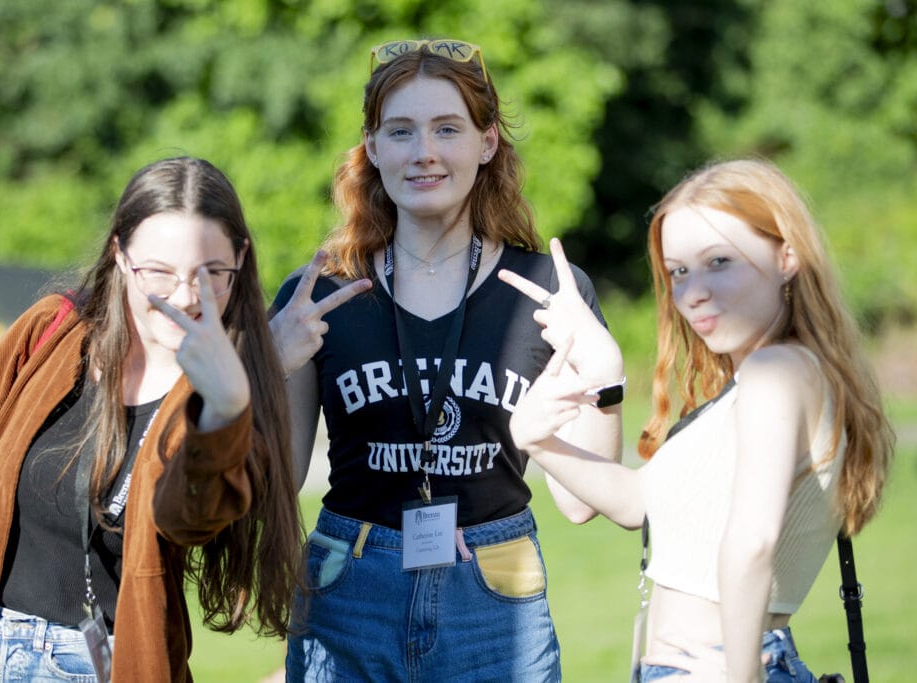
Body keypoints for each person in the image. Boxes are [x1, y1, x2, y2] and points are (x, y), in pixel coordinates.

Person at [268, 38, 623, 681]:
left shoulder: (547, 290)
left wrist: (608, 377)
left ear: (486, 143)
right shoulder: (317, 294)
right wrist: (261, 369)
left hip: (496, 593)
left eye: (447, 128)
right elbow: (278, 478)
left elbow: (580, 503)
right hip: (349, 582)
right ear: (373, 150)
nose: (424, 152)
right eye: (400, 131)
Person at [0, 157, 302, 681]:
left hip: (105, 664)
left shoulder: (225, 390)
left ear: (240, 261)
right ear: (120, 254)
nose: (184, 297)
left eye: (210, 274)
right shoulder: (51, 333)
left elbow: (191, 520)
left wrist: (224, 408)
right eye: (158, 272)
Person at [500, 158, 895, 682]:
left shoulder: (779, 372)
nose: (693, 292)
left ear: (787, 257)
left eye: (719, 262)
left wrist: (740, 675)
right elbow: (635, 503)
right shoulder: (756, 382)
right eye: (679, 272)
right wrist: (538, 439)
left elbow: (751, 542)